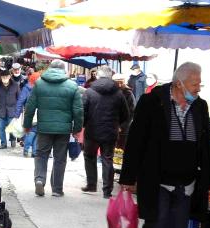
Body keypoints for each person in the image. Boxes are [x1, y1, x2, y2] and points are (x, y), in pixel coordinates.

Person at [119, 62, 210, 228]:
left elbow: (206, 145)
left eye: (199, 84)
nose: (198, 89)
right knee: (157, 222)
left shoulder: (200, 106)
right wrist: (128, 177)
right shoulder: (152, 102)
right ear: (178, 83)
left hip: (188, 180)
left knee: (177, 227)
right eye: (194, 84)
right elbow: (136, 140)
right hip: (158, 178)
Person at [24, 60, 83, 197]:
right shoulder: (72, 86)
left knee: (41, 154)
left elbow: (30, 107)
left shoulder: (39, 84)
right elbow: (78, 111)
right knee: (60, 158)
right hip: (63, 130)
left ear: (49, 69)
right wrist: (77, 129)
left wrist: (27, 125)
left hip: (44, 128)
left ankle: (39, 179)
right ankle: (57, 189)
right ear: (64, 70)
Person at [81, 66, 130, 199]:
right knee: (107, 159)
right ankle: (107, 191)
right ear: (110, 77)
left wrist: (84, 125)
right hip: (111, 132)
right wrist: (119, 126)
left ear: (97, 76)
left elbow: (82, 112)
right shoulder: (119, 93)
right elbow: (126, 114)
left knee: (89, 157)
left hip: (92, 131)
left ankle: (91, 185)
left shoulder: (89, 92)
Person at [0, 69, 20, 149]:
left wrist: (18, 110)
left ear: (9, 76)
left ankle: (13, 139)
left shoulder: (15, 85)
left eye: (6, 76)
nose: (5, 78)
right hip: (1, 109)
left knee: (11, 127)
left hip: (12, 110)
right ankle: (3, 143)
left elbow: (19, 98)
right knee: (1, 128)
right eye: (3, 77)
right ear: (1, 77)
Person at [15, 72, 41, 158]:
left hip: (32, 113)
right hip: (35, 113)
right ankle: (29, 150)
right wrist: (17, 114)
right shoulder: (32, 88)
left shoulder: (28, 88)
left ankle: (32, 152)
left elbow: (20, 101)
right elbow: (21, 101)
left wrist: (17, 114)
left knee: (34, 132)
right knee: (33, 132)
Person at [112, 73, 136, 150]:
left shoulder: (128, 93)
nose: (119, 85)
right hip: (110, 126)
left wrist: (122, 126)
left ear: (124, 82)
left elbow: (131, 112)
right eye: (117, 82)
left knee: (121, 148)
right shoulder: (110, 92)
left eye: (121, 82)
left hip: (123, 127)